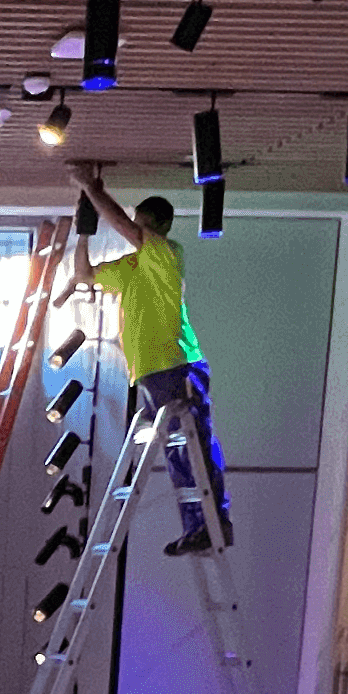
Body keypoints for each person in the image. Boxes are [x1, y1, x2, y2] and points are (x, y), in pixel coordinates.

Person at [67, 162, 232, 556]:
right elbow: (85, 275)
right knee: (179, 453)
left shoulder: (165, 254)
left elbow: (124, 226)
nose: (133, 232)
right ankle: (198, 527)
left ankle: (215, 523)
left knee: (195, 444)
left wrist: (91, 188)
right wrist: (84, 233)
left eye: (141, 224)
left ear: (156, 226)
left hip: (176, 363)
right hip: (150, 370)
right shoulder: (132, 267)